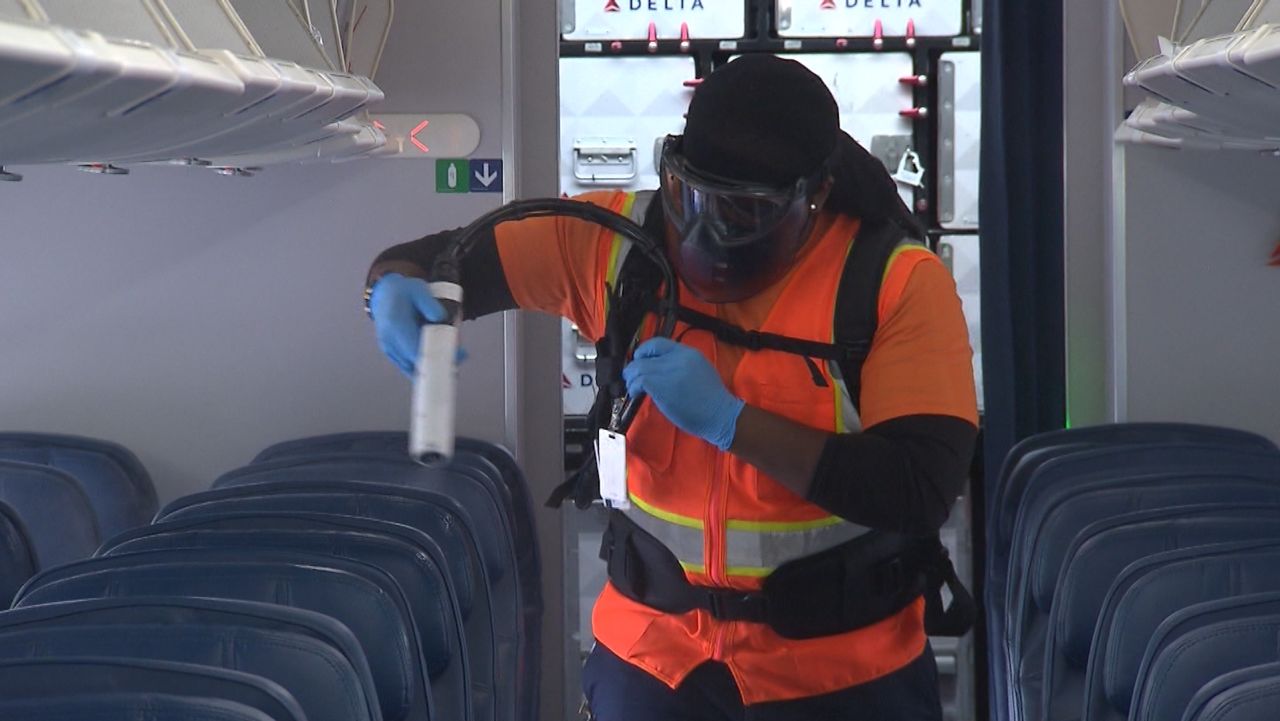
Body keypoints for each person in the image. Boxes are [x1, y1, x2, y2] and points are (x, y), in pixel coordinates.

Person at [364, 54, 977, 721]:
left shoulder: (893, 282)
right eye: (692, 196)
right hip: (653, 658)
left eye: (743, 211)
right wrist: (391, 286)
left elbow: (918, 488)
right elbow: (444, 259)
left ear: (816, 194)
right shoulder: (614, 245)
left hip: (842, 668)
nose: (708, 232)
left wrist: (733, 423)